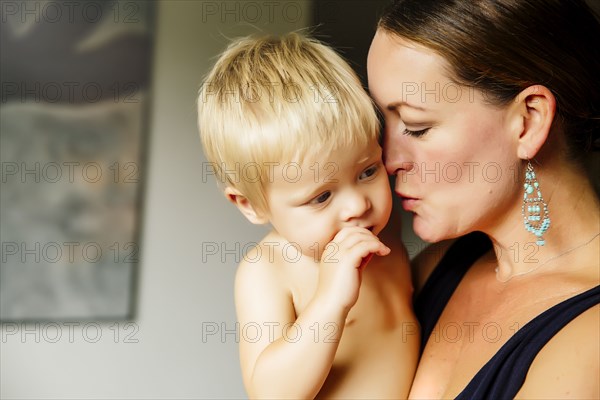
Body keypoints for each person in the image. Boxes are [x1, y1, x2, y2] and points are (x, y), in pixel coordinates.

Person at [367, 0, 600, 398]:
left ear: (528, 121)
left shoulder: (591, 340)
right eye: (382, 122)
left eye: (416, 127)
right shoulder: (434, 267)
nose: (388, 160)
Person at [197, 33, 419, 399]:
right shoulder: (268, 270)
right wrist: (331, 301)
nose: (357, 206)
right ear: (250, 204)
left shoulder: (384, 230)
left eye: (367, 171)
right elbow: (270, 393)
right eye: (321, 197)